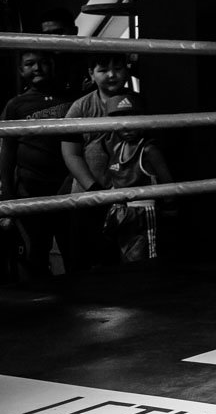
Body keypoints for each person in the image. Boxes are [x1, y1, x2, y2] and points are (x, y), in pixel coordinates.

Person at [1, 49, 75, 282]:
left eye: (43, 62)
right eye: (30, 64)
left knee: (73, 250)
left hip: (66, 188)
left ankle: (79, 298)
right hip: (30, 189)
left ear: (53, 65)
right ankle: (40, 299)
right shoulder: (16, 105)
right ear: (20, 70)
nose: (37, 68)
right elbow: (7, 153)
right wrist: (8, 197)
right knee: (35, 253)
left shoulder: (71, 100)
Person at [61, 54, 137, 270]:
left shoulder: (138, 103)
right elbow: (71, 154)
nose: (112, 75)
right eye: (103, 70)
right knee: (86, 263)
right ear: (91, 74)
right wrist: (94, 190)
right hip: (88, 198)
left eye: (118, 68)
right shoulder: (81, 107)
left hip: (128, 198)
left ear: (127, 70)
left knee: (128, 261)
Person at [98, 93, 174, 263]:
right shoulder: (117, 147)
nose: (127, 128)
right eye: (121, 123)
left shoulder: (149, 150)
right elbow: (113, 180)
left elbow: (168, 184)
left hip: (143, 212)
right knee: (123, 260)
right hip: (119, 211)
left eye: (132, 121)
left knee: (144, 261)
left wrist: (170, 208)